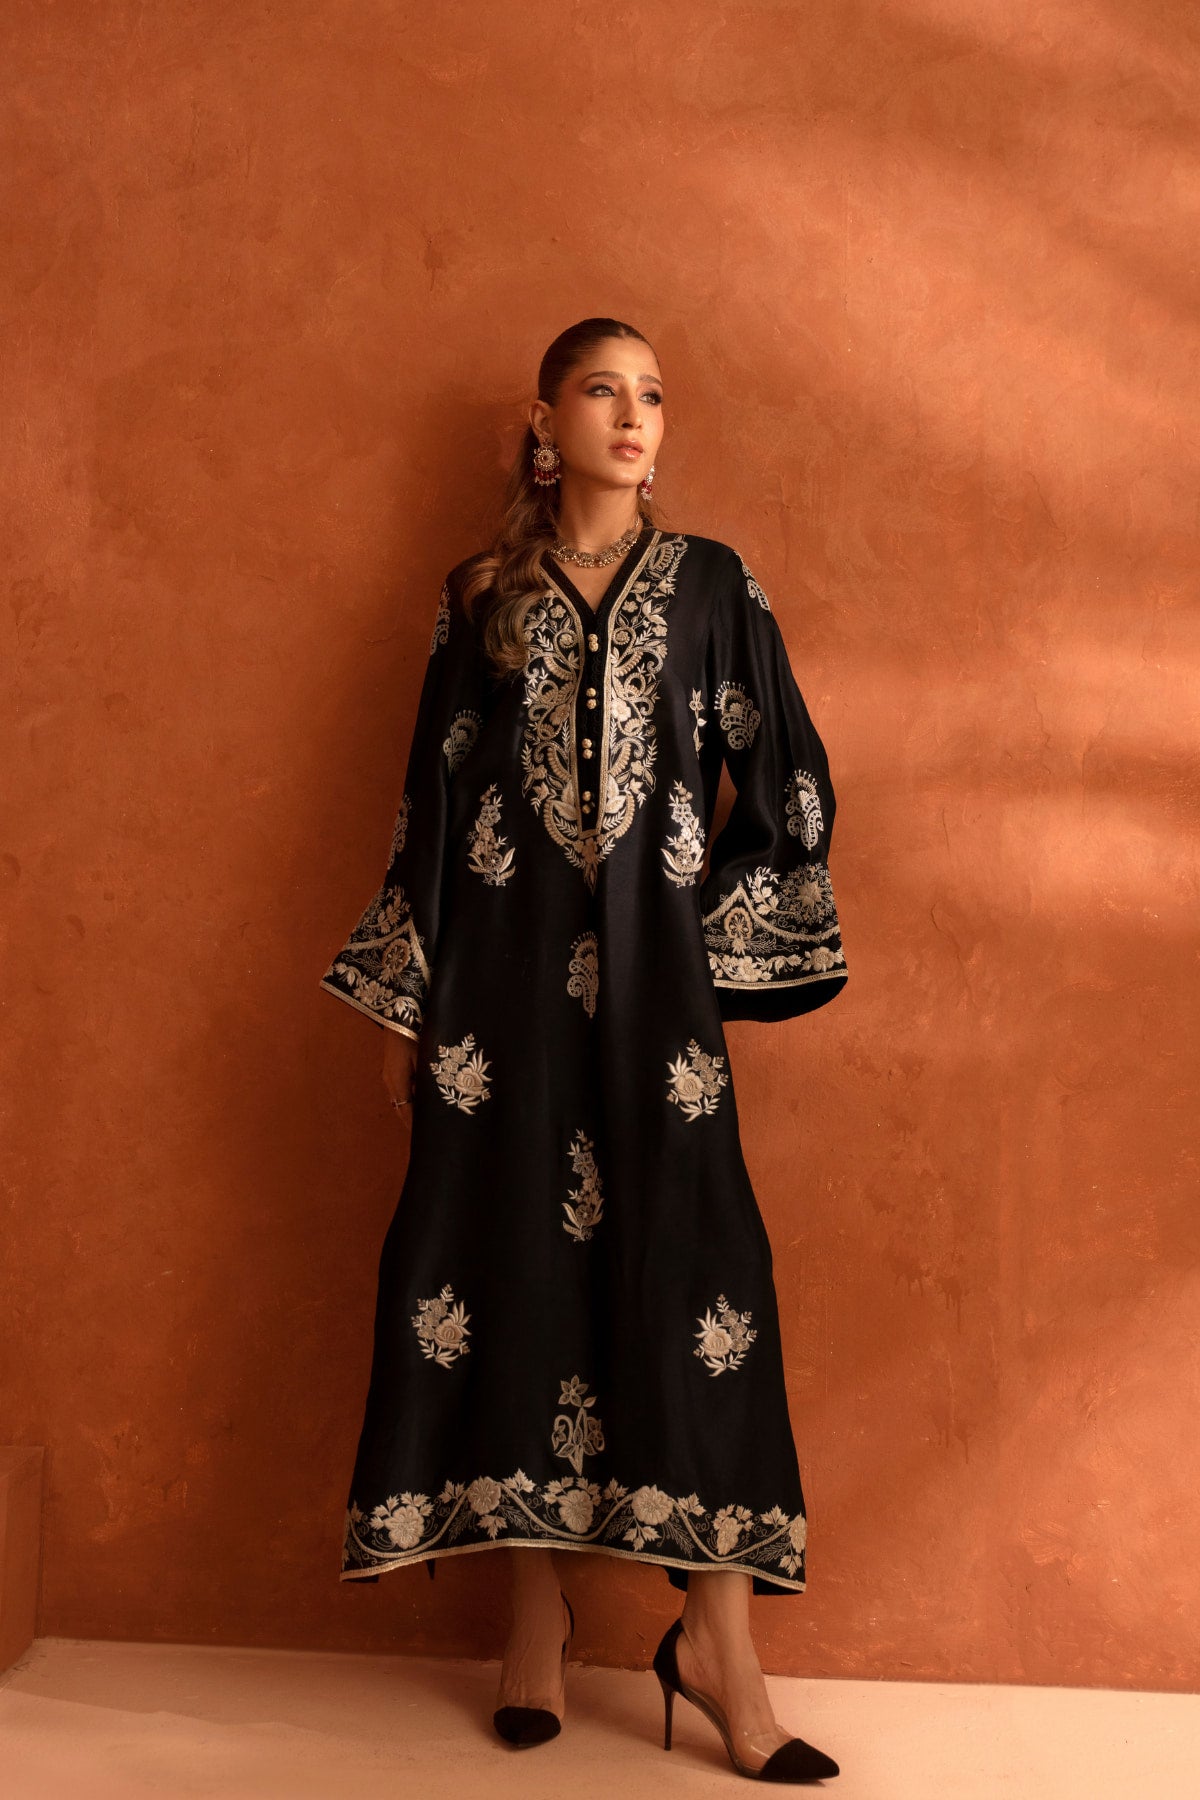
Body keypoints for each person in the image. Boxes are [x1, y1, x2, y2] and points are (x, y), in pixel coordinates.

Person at [320, 316, 847, 1782]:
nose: (633, 415)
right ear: (543, 420)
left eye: (653, 395)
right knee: (510, 1266)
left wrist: (707, 949)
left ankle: (720, 1647)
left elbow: (789, 778)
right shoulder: (480, 596)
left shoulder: (714, 587)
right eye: (603, 390)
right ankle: (533, 1621)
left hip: (657, 1010)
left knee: (698, 1275)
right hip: (497, 1005)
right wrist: (407, 1000)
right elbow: (429, 806)